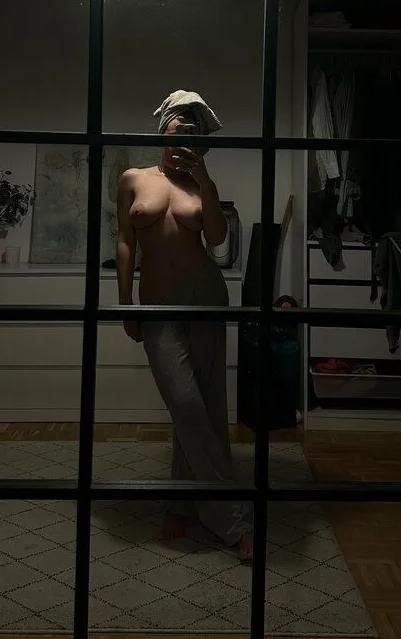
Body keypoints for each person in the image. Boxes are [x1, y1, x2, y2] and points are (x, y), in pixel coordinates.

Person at [116, 90, 253, 561]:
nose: (183, 144)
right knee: (186, 403)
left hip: (205, 296)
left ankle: (180, 501)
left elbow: (217, 237)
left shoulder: (200, 184)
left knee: (205, 405)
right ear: (162, 133)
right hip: (157, 302)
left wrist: (205, 182)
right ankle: (232, 518)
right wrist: (124, 304)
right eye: (177, 133)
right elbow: (125, 242)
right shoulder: (134, 179)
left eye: (193, 137)